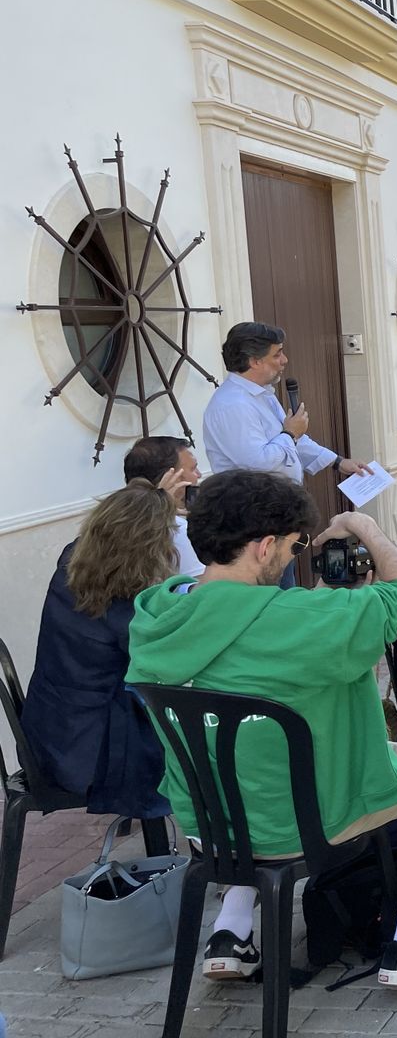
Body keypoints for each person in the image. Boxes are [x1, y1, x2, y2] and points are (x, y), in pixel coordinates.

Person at [126, 470, 397, 987]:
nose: (296, 557)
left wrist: (315, 599)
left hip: (209, 827)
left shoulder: (157, 610)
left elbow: (252, 626)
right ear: (265, 546)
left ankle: (231, 930)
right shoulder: (307, 619)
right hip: (303, 824)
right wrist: (367, 529)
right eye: (294, 547)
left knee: (245, 764)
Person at [23, 483, 174, 821]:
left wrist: (152, 499)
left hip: (49, 733)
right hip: (87, 756)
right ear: (149, 547)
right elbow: (167, 661)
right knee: (204, 747)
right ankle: (215, 851)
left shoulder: (71, 561)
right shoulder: (124, 611)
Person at [203, 322, 370, 585]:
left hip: (276, 517)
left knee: (284, 587)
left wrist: (338, 462)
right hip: (252, 521)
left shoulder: (262, 396)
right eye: (277, 354)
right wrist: (289, 433)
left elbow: (293, 444)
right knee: (270, 594)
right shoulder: (232, 404)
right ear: (254, 361)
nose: (284, 360)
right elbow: (257, 461)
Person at [123, 435, 204, 577]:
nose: (199, 475)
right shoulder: (176, 529)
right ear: (172, 477)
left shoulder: (117, 518)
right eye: (193, 469)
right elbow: (203, 591)